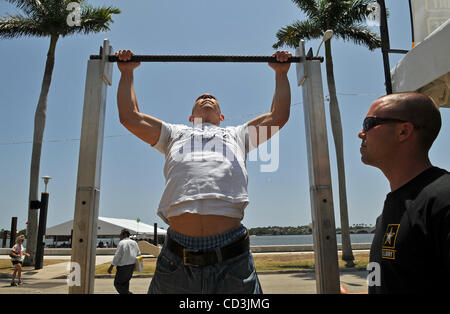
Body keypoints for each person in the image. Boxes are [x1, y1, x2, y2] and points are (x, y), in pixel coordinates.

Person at [115, 49, 292, 293]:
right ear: (191, 116)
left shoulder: (237, 135)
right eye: (201, 97)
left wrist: (281, 73)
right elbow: (130, 117)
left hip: (232, 255)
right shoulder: (174, 134)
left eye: (211, 97)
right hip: (176, 256)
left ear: (221, 116)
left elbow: (278, 116)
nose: (206, 96)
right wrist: (127, 73)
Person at [358, 92, 450, 293]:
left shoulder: (443, 200)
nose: (361, 133)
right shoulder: (392, 209)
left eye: (368, 124)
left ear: (403, 131)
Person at [107, 229, 141, 294]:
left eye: (121, 234)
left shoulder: (122, 242)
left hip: (123, 267)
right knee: (125, 283)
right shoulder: (134, 242)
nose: (119, 236)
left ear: (125, 234)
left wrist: (111, 266)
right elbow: (139, 254)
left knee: (117, 284)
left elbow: (117, 255)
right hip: (131, 266)